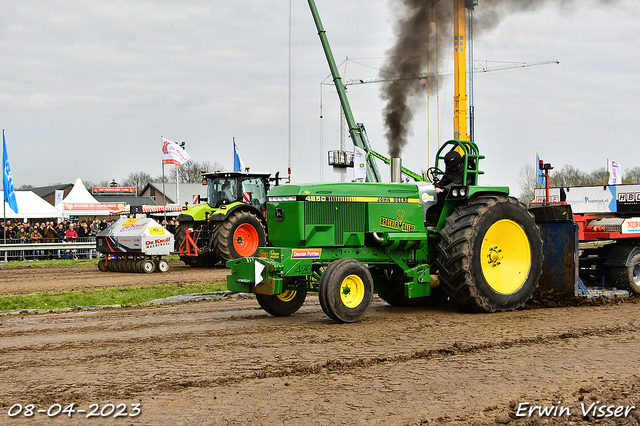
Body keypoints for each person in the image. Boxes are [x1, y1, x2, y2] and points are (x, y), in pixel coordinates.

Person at [426, 147, 466, 227]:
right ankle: (429, 220)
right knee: (430, 197)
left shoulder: (464, 172)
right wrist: (434, 187)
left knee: (441, 198)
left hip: (458, 192)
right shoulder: (450, 170)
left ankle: (438, 222)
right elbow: (444, 180)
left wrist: (443, 189)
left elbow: (457, 183)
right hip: (449, 191)